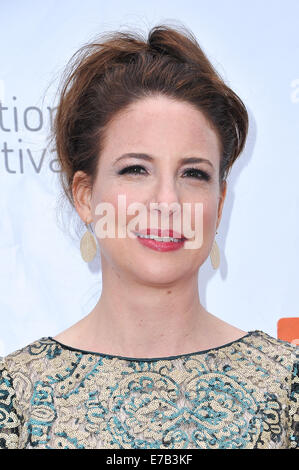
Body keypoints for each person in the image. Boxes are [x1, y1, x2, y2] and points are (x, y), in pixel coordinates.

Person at [0, 23, 298, 450]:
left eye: (194, 174)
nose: (166, 201)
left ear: (220, 201)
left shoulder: (287, 387)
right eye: (135, 169)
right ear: (85, 196)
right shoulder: (16, 398)